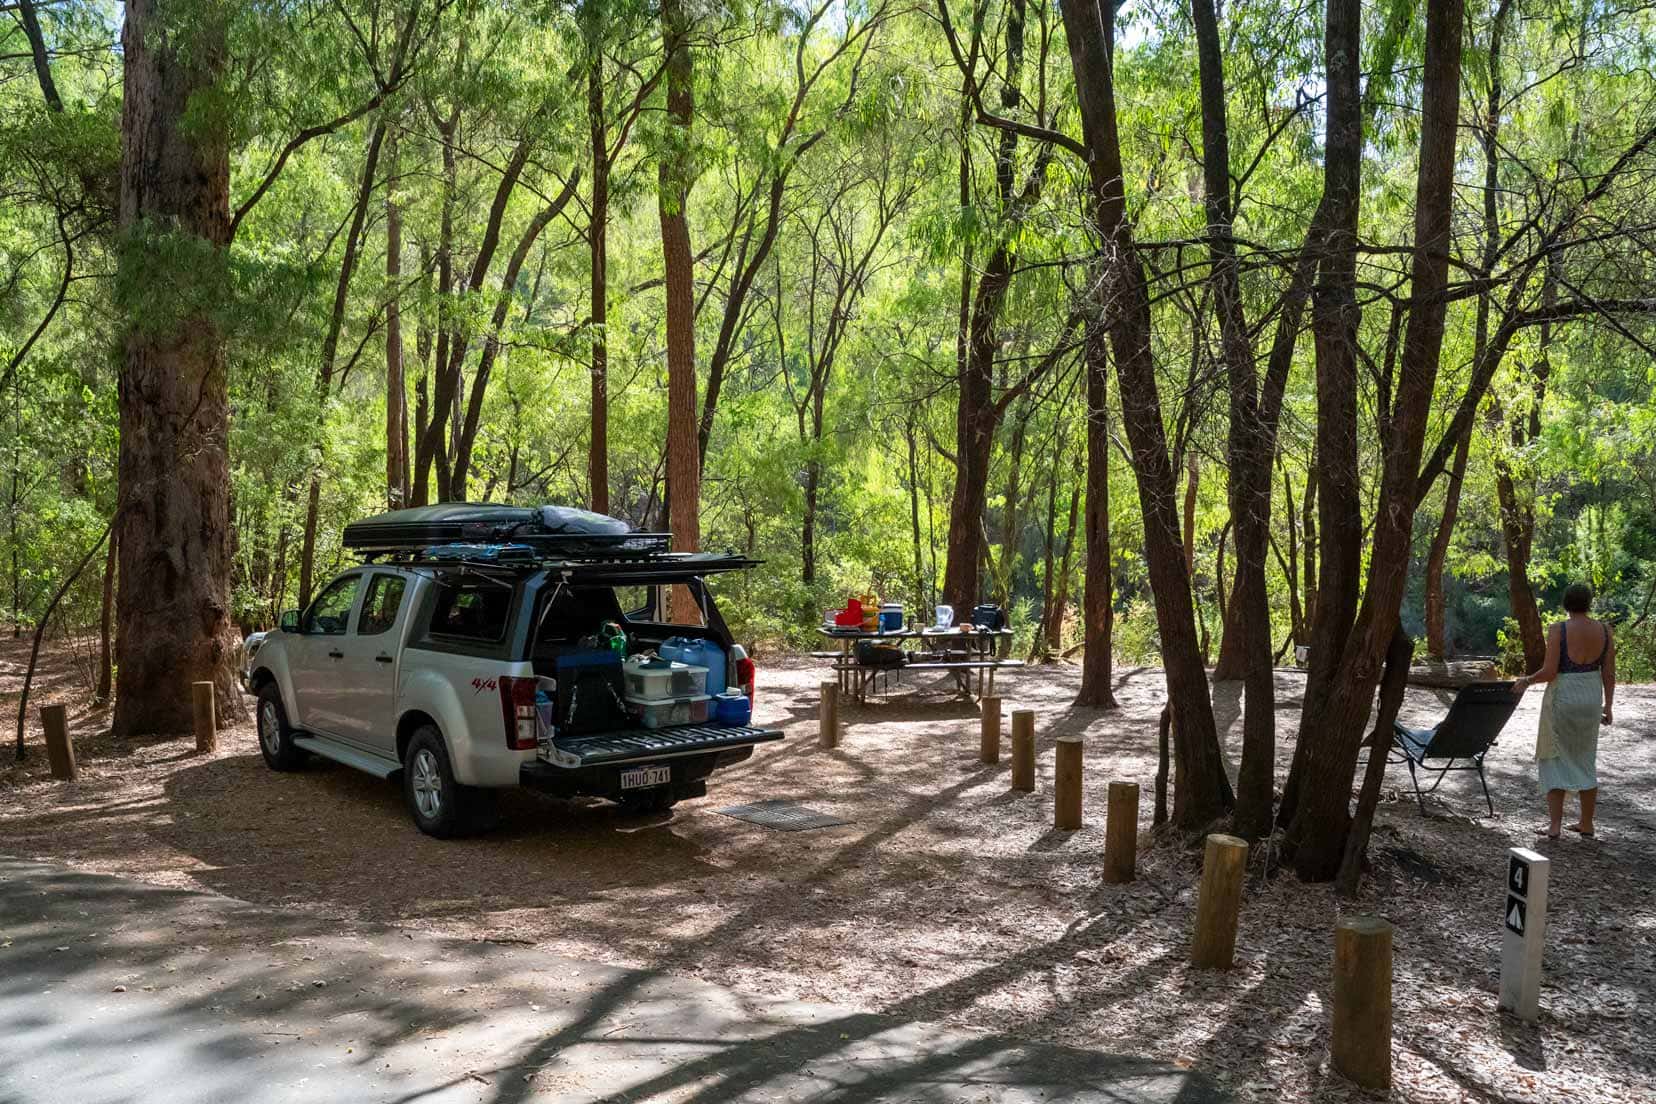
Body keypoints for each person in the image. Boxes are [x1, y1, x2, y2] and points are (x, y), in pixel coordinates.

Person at [1512, 583, 1615, 840]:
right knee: (1585, 758)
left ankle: (1555, 825)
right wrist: (1609, 705)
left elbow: (1549, 672)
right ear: (1589, 603)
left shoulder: (1559, 629)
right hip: (1591, 696)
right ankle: (1586, 823)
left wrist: (1525, 680)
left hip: (1564, 696)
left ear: (1566, 603)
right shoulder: (1604, 630)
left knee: (1554, 757)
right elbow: (1609, 673)